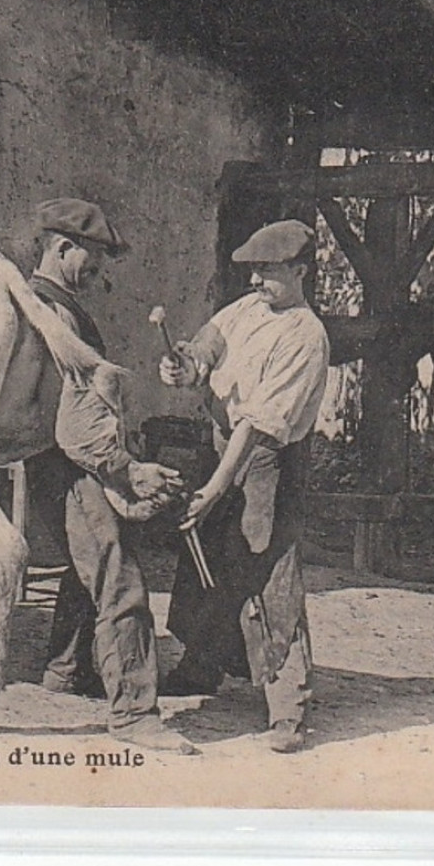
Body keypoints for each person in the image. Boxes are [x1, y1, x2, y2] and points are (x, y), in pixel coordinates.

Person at [24, 197, 195, 755]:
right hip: (70, 463)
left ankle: (66, 671)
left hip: (66, 458)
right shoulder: (57, 314)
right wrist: (126, 470)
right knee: (118, 575)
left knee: (88, 565)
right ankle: (135, 715)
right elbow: (76, 418)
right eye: (91, 262)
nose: (98, 275)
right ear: (60, 247)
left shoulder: (45, 304)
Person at [158, 218, 331, 753]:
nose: (256, 281)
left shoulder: (306, 335)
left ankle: (288, 705)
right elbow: (209, 343)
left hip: (266, 461)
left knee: (268, 570)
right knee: (207, 556)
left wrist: (216, 485)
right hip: (224, 446)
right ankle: (201, 665)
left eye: (269, 272)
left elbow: (257, 425)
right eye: (253, 271)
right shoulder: (247, 310)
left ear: (299, 271)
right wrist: (185, 366)